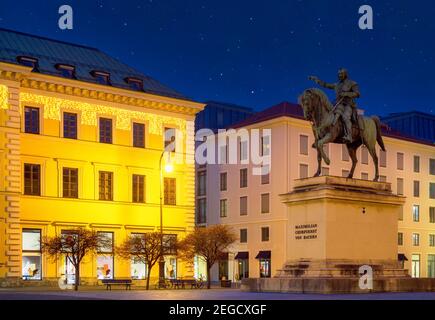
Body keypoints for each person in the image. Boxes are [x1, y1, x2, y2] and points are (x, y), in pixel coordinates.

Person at [309, 69, 360, 143]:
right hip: (338, 104)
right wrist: (316, 80)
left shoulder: (352, 83)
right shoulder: (337, 85)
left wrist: (346, 94)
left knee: (345, 117)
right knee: (328, 114)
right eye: (339, 74)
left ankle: (349, 136)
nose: (339, 75)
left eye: (341, 74)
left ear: (345, 74)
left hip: (348, 105)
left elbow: (357, 94)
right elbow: (326, 85)